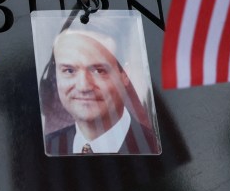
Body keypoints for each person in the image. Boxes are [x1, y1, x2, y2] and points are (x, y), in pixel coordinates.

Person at [42, 27, 159, 155]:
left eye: (99, 71)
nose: (83, 87)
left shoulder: (155, 147)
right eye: (69, 71)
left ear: (125, 75)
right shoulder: (46, 148)